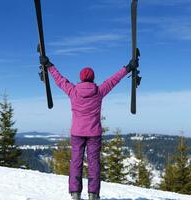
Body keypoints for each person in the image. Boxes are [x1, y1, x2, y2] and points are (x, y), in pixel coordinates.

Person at [39, 55, 138, 200]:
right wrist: (128, 67)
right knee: (94, 163)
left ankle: (75, 193)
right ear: (93, 78)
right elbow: (113, 80)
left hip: (77, 133)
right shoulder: (98, 91)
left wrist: (49, 65)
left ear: (80, 78)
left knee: (76, 162)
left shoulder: (73, 91)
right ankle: (93, 194)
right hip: (94, 134)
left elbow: (60, 80)